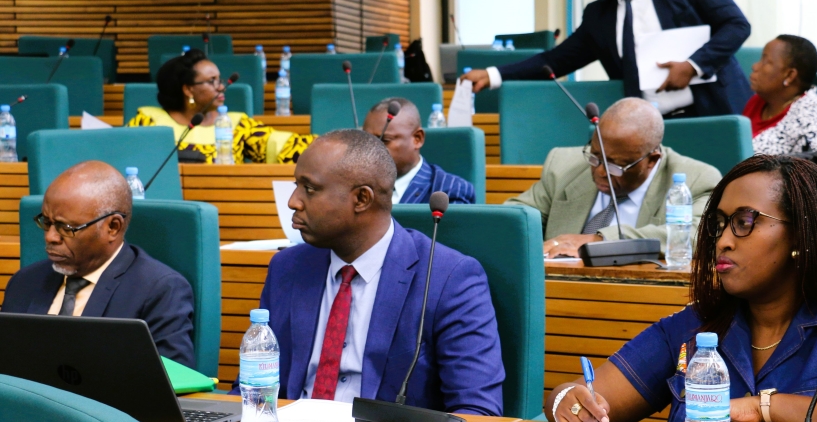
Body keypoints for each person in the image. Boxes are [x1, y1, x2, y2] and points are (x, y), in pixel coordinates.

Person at [546, 155, 817, 422]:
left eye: (745, 222)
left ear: (801, 235)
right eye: (718, 224)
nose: (723, 241)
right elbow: (588, 396)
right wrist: (567, 400)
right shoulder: (696, 326)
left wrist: (763, 408)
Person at [230, 129, 505, 414]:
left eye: (309, 189)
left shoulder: (448, 278)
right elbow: (251, 388)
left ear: (361, 199)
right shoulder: (288, 267)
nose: (294, 202)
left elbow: (476, 410)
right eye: (296, 186)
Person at [461, 0, 752, 118]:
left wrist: (692, 65)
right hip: (654, 127)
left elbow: (736, 25)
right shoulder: (598, 16)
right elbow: (556, 60)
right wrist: (493, 74)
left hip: (717, 113)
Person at [2, 161, 195, 368]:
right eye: (46, 222)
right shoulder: (25, 282)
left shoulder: (159, 290)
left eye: (66, 227)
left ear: (112, 227)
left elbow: (173, 384)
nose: (50, 237)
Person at [507, 97, 720, 257]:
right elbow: (514, 220)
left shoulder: (696, 180)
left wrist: (600, 240)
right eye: (595, 157)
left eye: (615, 165)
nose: (600, 171)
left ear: (652, 160)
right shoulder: (563, 166)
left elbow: (698, 235)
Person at [126, 49, 315, 164]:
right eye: (211, 81)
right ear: (188, 90)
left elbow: (282, 146)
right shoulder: (149, 123)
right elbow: (119, 155)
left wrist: (328, 146)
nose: (221, 87)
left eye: (220, 80)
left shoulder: (236, 125)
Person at [361, 97, 475, 204]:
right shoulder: (353, 185)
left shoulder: (449, 191)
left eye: (385, 140)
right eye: (366, 140)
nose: (372, 150)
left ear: (417, 139)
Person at [743, 35, 817, 155]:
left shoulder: (813, 114)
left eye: (766, 61)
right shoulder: (756, 102)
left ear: (790, 75)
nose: (755, 66)